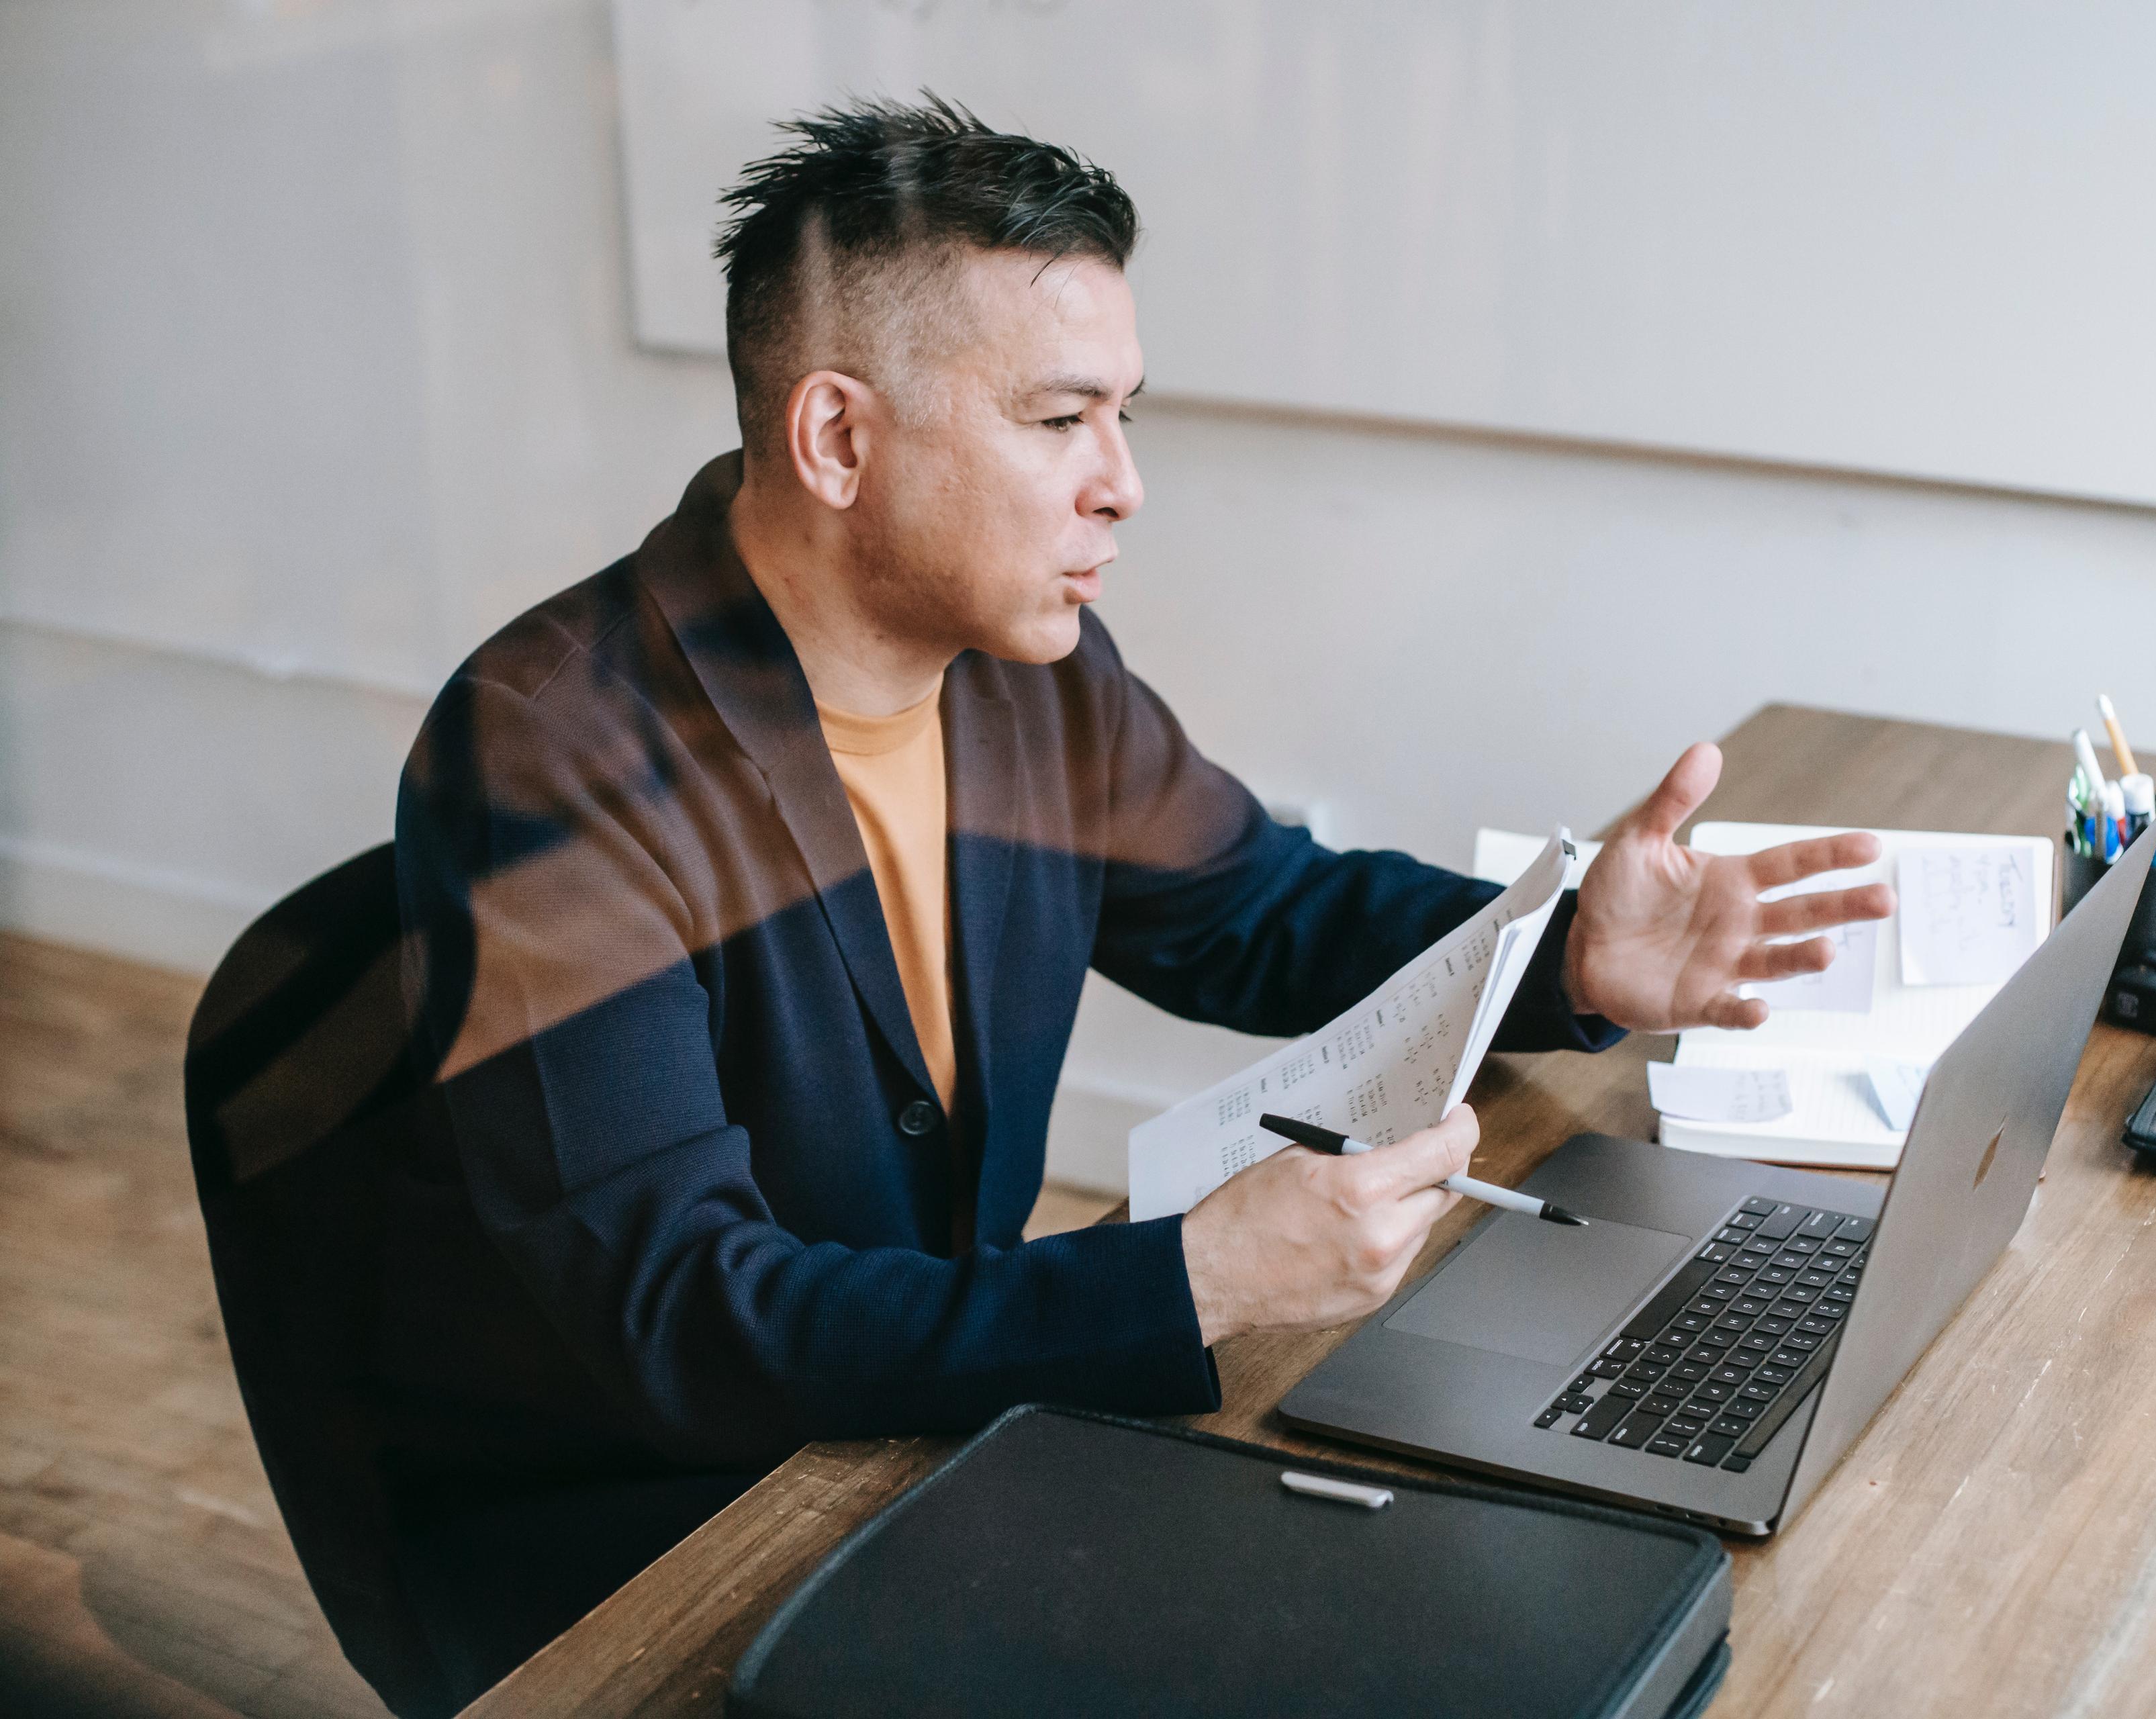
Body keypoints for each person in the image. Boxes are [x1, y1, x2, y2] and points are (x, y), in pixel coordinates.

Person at [382, 95, 1891, 1704]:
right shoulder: (549, 749)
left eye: (1127, 415)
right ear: (837, 437)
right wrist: (1197, 1280)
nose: (1124, 484)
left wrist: (1567, 945)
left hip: (931, 1420)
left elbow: (1256, 907)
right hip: (667, 1532)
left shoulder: (1029, 669)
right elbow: (684, 1314)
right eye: (1060, 420)